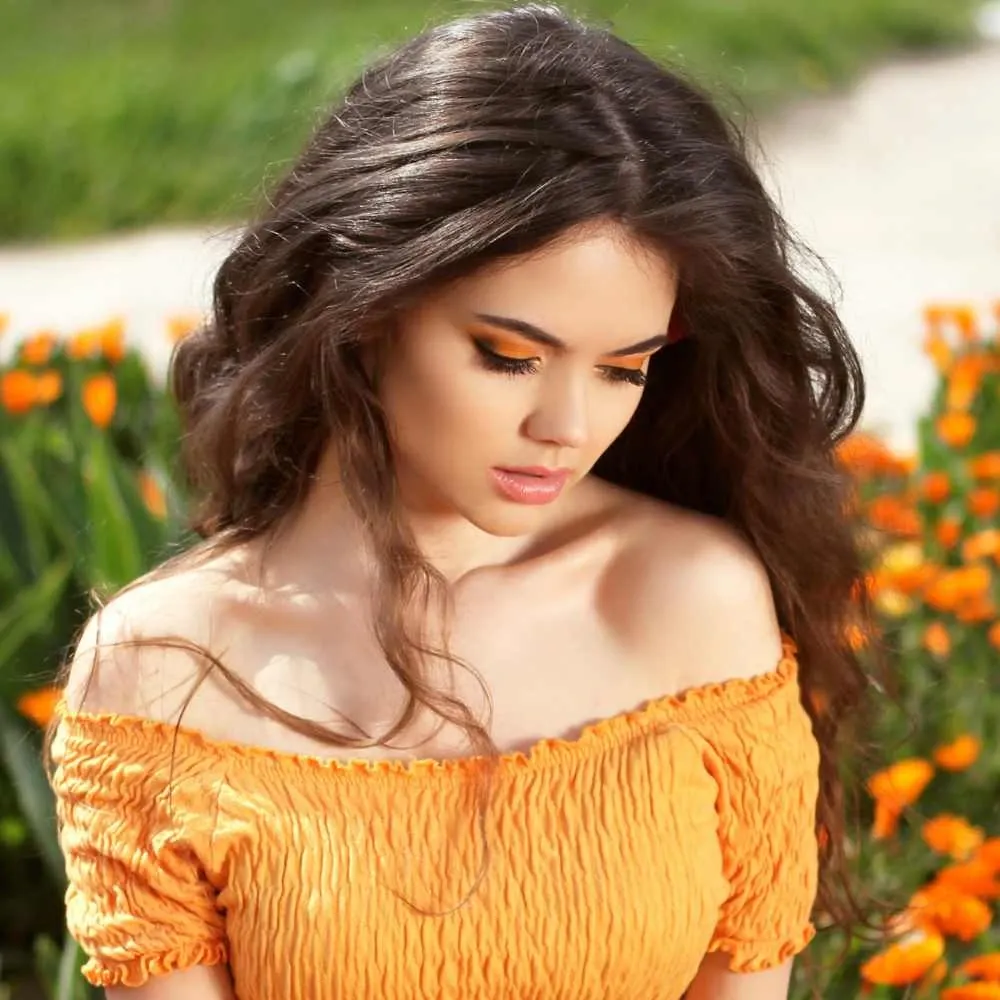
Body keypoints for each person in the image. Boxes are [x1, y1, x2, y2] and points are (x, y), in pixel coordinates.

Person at [46, 3, 876, 998]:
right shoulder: (160, 679)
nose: (566, 424)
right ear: (360, 307)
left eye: (624, 368)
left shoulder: (689, 598)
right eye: (508, 356)